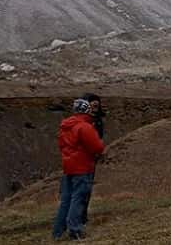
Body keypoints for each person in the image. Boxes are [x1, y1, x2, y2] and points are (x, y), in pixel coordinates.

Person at [52, 98, 105, 240]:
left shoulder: (65, 127)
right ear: (86, 110)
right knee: (78, 199)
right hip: (82, 167)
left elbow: (61, 146)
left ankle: (57, 232)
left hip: (68, 167)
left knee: (66, 200)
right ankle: (75, 229)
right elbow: (97, 147)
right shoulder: (85, 126)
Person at [79, 93, 105, 228]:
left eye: (97, 105)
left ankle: (82, 215)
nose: (95, 108)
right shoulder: (84, 122)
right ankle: (77, 218)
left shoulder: (98, 120)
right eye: (93, 105)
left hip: (91, 159)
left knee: (87, 188)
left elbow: (100, 137)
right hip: (82, 159)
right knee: (81, 188)